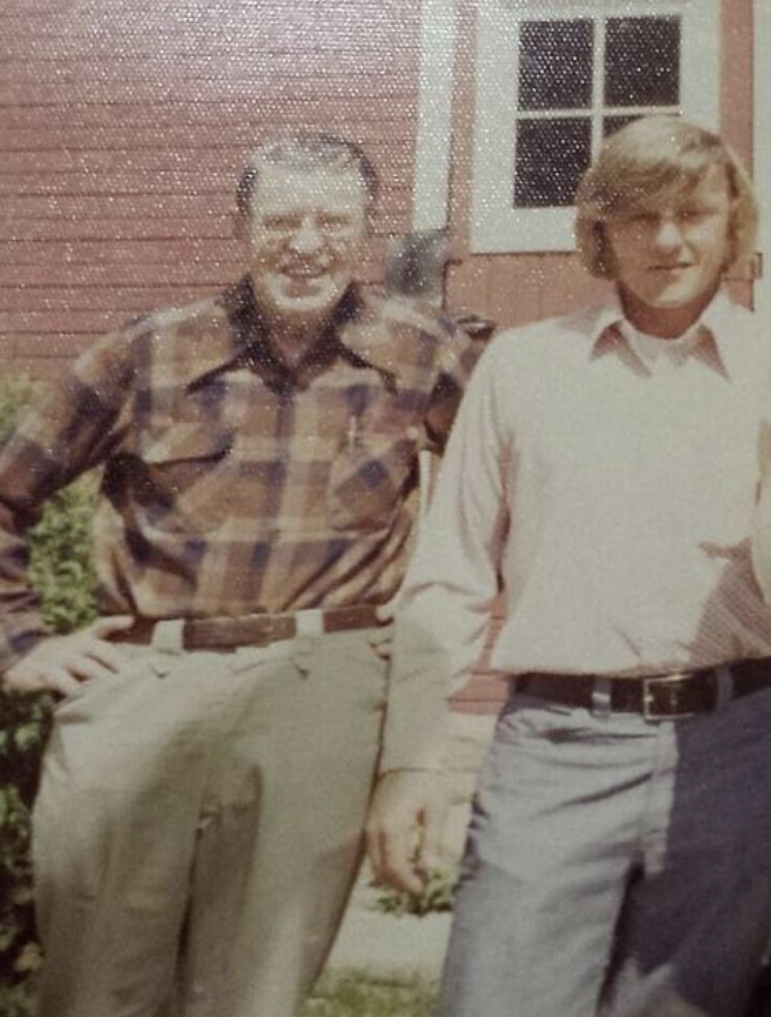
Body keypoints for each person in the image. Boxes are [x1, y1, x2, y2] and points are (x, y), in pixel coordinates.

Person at [0, 131, 475, 1017]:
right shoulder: (150, 351)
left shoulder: (423, 354)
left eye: (332, 220)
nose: (306, 243)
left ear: (368, 230)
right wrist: (18, 639)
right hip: (146, 687)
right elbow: (7, 488)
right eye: (281, 219)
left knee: (254, 995)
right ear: (240, 226)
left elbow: (526, 470)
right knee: (94, 985)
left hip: (322, 696)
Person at [365, 116, 771, 1017]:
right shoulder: (525, 368)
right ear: (599, 232)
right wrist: (409, 759)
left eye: (695, 212)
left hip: (740, 738)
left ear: (734, 224)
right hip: (558, 742)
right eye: (639, 217)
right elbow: (449, 572)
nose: (670, 239)